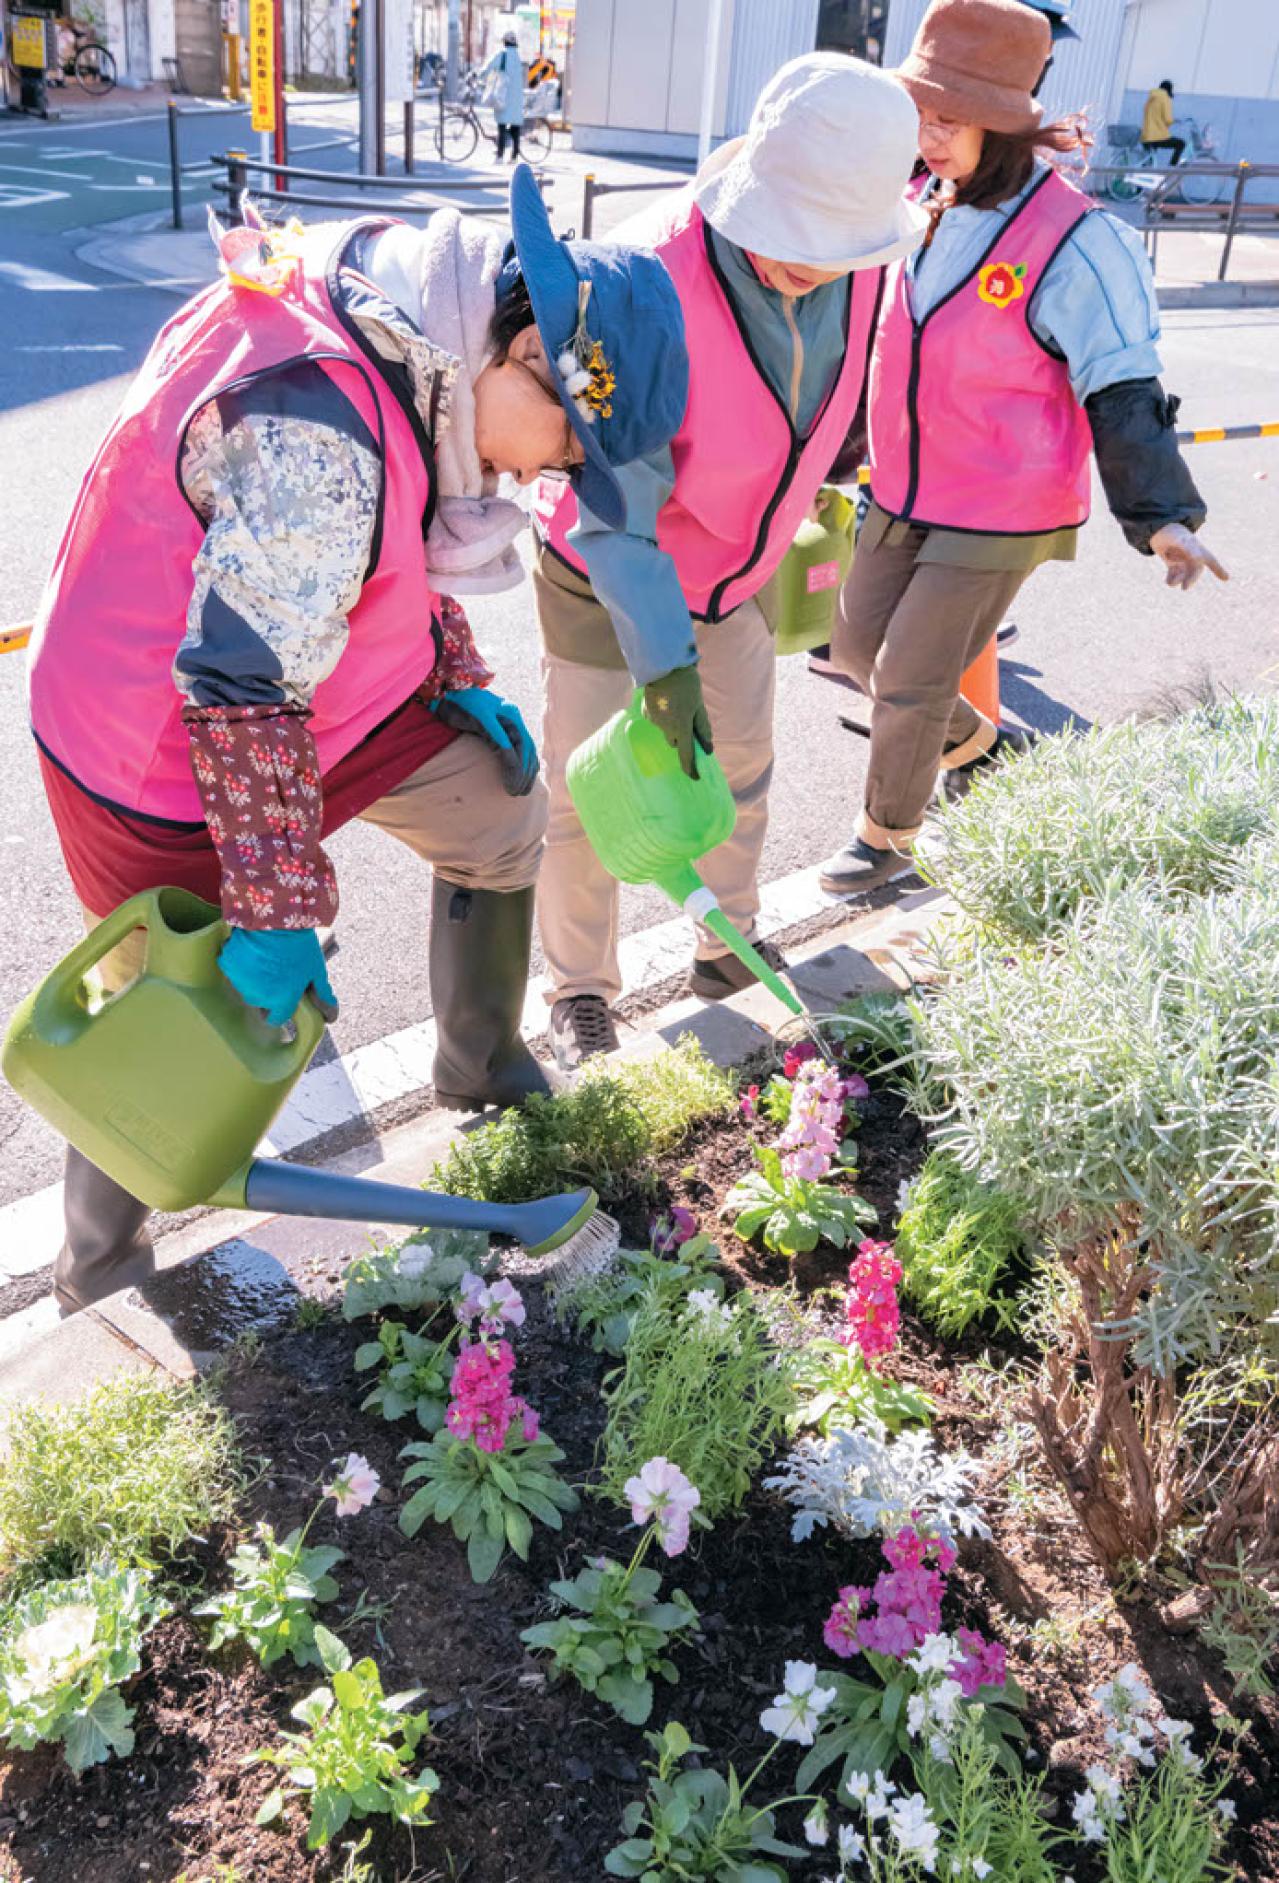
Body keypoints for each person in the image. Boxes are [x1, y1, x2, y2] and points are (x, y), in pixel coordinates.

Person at [26, 171, 687, 1313]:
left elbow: (377, 538)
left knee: (494, 805)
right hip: (160, 735)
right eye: (569, 446)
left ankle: (482, 1068)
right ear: (525, 348)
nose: (550, 476)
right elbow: (241, 691)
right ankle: (99, 1272)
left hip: (315, 681)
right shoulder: (315, 417)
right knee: (182, 1015)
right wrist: (277, 915)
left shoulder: (419, 318)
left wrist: (456, 673)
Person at [531, 54, 926, 1071]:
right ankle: (579, 990)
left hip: (734, 577)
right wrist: (662, 673)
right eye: (791, 237)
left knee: (738, 767)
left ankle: (725, 951)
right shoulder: (641, 278)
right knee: (591, 789)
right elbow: (616, 510)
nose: (808, 264)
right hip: (605, 570)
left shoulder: (868, 268)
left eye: (833, 248)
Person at [818, 0, 1227, 896]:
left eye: (948, 118)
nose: (925, 136)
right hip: (902, 489)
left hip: (1000, 506)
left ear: (1001, 126)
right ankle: (985, 750)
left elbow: (1121, 383)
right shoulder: (922, 208)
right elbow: (886, 355)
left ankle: (887, 835)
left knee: (909, 676)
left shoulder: (1076, 240)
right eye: (917, 113)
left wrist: (1162, 518)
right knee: (851, 648)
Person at [485, 30, 526, 163]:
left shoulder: (502, 54)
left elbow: (489, 67)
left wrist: (478, 75)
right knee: (515, 127)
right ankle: (514, 156)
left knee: (501, 125)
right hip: (517, 98)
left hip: (503, 95)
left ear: (504, 42)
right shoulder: (518, 57)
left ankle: (500, 156)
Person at [1141, 78, 1185, 167]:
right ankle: (1171, 168)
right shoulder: (1165, 98)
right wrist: (1175, 120)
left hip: (1146, 136)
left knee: (1150, 161)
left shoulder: (1151, 98)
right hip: (1157, 137)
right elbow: (1167, 119)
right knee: (1181, 144)